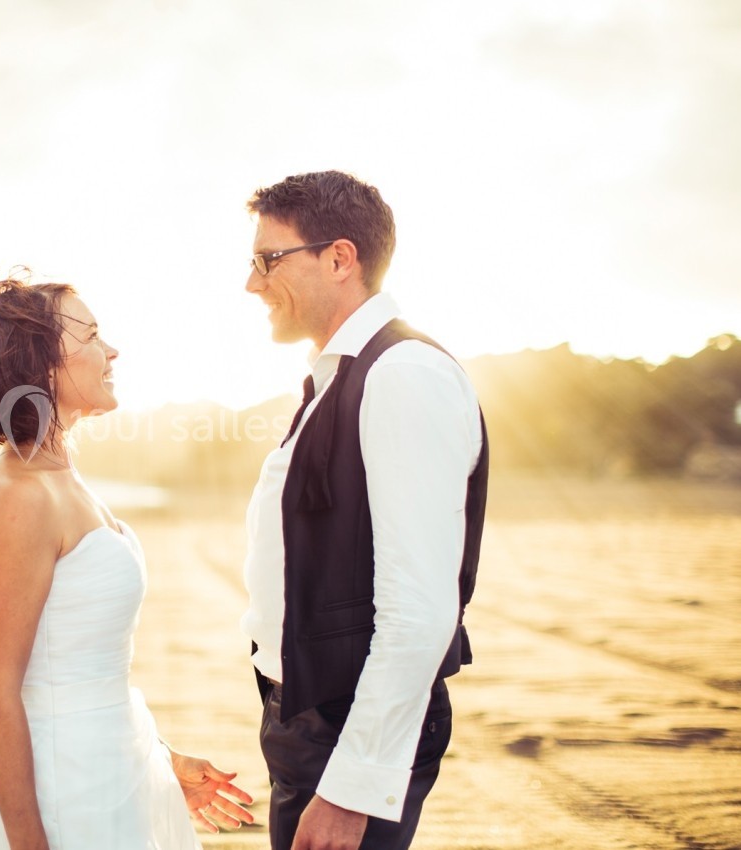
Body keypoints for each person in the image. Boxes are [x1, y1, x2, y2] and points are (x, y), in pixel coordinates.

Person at [0, 276, 254, 849]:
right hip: (60, 798)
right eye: (93, 334)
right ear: (43, 362)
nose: (112, 351)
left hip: (113, 779)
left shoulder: (62, 476)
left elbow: (82, 668)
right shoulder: (18, 495)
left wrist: (160, 761)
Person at [240, 171, 489, 850]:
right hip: (312, 720)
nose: (252, 283)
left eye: (268, 259)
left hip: (348, 728)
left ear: (340, 258)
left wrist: (352, 787)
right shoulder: (341, 376)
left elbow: (421, 607)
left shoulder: (403, 374)